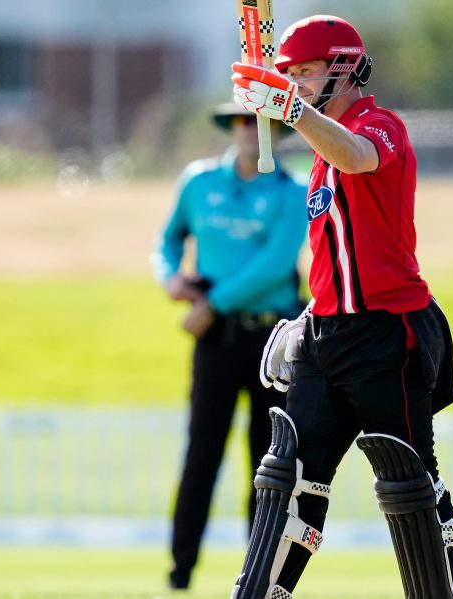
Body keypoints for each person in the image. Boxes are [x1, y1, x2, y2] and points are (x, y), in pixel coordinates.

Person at [228, 15, 453, 598]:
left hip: (389, 332)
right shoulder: (316, 151)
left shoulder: (378, 126)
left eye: (305, 73)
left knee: (408, 483)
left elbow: (358, 157)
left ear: (342, 67)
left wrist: (292, 110)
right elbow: (340, 255)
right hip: (327, 334)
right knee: (288, 478)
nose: (297, 83)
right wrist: (312, 313)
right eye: (290, 76)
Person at [151, 102, 308, 592]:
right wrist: (171, 277)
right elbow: (168, 239)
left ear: (278, 133)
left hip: (271, 340)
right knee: (201, 455)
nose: (250, 131)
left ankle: (257, 576)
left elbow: (274, 265)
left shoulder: (293, 190)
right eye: (243, 121)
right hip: (217, 340)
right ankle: (181, 573)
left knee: (267, 462)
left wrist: (211, 303)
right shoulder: (198, 182)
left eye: (261, 123)